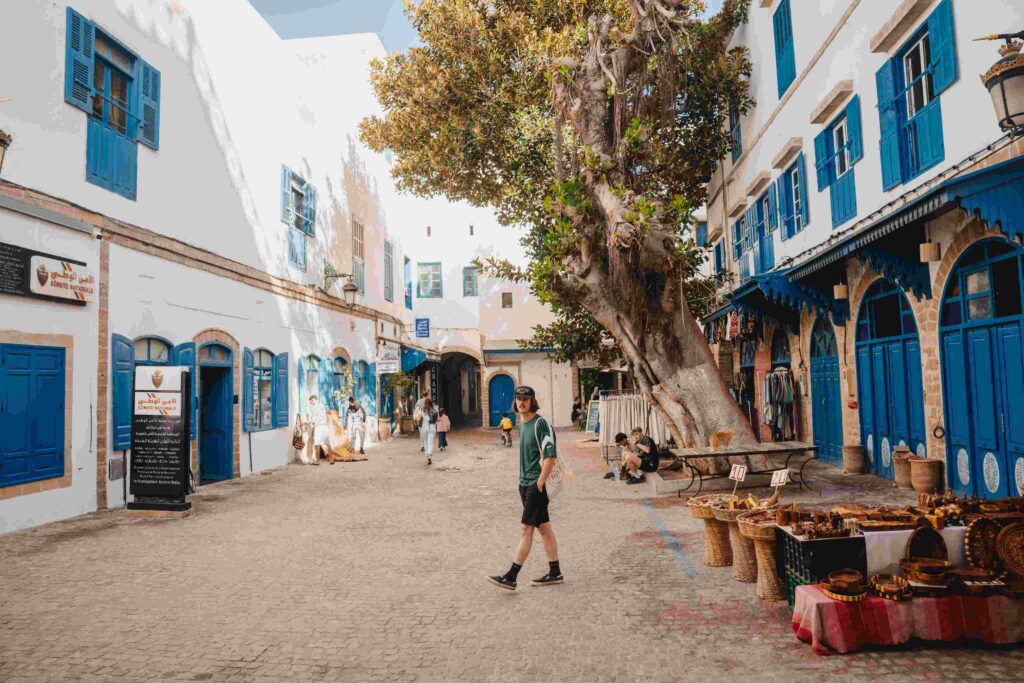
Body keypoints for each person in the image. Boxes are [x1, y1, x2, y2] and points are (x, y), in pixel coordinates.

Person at [487, 386, 562, 590]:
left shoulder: (540, 423)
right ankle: (555, 572)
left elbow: (550, 456)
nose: (521, 402)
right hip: (525, 484)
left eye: (525, 399)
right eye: (518, 398)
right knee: (544, 528)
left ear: (532, 402)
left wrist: (539, 483)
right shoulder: (522, 425)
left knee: (526, 529)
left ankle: (511, 577)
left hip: (535, 484)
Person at [307, 395, 326, 466]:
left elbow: (316, 418)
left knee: (317, 443)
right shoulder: (319, 406)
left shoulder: (317, 407)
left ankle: (317, 460)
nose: (311, 402)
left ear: (316, 400)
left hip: (319, 426)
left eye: (312, 401)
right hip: (320, 425)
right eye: (310, 401)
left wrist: (311, 422)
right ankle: (318, 458)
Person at [421, 397, 439, 465]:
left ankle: (427, 455)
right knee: (430, 442)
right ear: (431, 403)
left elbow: (420, 420)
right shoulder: (435, 411)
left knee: (425, 442)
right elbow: (436, 420)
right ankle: (429, 454)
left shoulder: (422, 410)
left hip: (424, 427)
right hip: (432, 427)